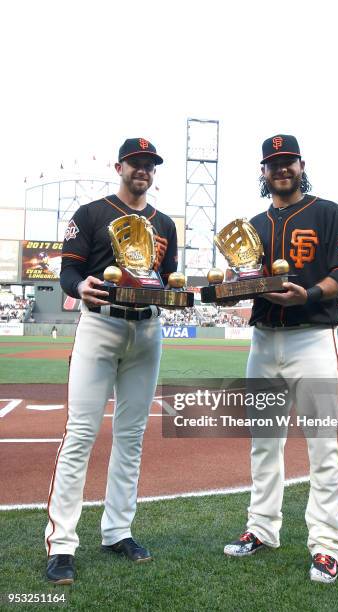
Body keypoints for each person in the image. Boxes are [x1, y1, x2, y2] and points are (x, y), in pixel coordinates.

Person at [224, 134, 338, 584]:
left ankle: (326, 545)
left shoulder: (328, 212)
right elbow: (243, 279)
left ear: (302, 165)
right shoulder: (253, 226)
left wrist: (313, 293)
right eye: (273, 163)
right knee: (264, 444)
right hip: (263, 341)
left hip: (313, 339)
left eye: (288, 162)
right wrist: (231, 286)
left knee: (324, 447)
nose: (281, 169)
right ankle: (262, 529)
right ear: (263, 172)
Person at [45, 138, 178, 584]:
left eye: (150, 165)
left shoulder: (165, 224)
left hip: (147, 330)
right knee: (81, 433)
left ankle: (117, 530)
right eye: (136, 163)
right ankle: (62, 544)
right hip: (100, 326)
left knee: (132, 436)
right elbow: (68, 270)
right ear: (118, 165)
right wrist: (77, 286)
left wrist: (177, 299)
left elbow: (166, 279)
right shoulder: (91, 213)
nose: (143, 170)